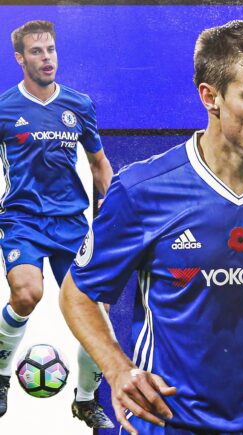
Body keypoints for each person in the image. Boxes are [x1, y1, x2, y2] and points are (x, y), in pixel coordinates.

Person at [59, 20, 243, 435]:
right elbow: (78, 293)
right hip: (169, 423)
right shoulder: (143, 190)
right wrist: (117, 369)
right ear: (210, 97)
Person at [0, 20, 114, 428]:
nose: (46, 58)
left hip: (71, 224)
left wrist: (113, 208)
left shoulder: (79, 105)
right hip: (23, 220)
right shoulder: (4, 108)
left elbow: (99, 164)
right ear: (20, 58)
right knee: (27, 293)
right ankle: (1, 375)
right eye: (36, 51)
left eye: (50, 49)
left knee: (95, 313)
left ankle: (85, 400)